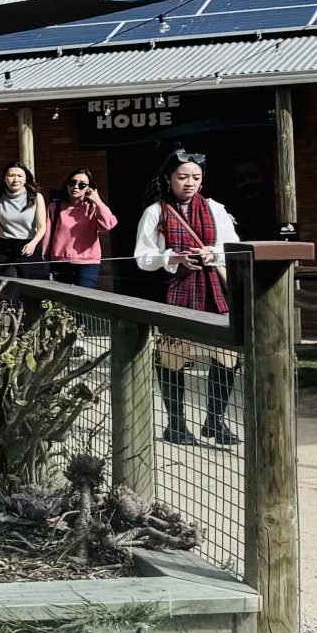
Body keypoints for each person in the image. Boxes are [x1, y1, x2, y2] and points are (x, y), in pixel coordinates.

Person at [133, 149, 240, 446]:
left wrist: (212, 252)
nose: (189, 182)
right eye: (182, 177)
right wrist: (174, 257)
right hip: (173, 290)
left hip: (212, 289)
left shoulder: (215, 208)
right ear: (169, 179)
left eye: (195, 177)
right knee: (172, 357)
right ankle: (176, 424)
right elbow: (142, 257)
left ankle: (215, 422)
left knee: (227, 355)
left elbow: (233, 246)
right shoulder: (156, 211)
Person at [45, 170, 116, 288]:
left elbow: (108, 225)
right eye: (72, 183)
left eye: (81, 185)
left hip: (88, 263)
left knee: (83, 300)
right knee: (63, 302)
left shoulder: (93, 207)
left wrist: (98, 202)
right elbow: (47, 235)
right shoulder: (55, 207)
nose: (76, 187)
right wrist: (45, 262)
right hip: (61, 262)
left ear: (89, 188)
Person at [0, 162, 50, 277]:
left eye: (20, 176)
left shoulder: (36, 197)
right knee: (6, 287)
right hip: (5, 248)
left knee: (33, 289)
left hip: (29, 247)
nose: (15, 179)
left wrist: (33, 243)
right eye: (11, 175)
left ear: (26, 179)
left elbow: (42, 226)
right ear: (4, 179)